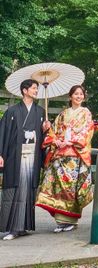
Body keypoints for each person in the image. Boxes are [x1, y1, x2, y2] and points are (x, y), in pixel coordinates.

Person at [35, 85, 94, 232]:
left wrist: (71, 141)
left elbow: (87, 131)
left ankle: (71, 220)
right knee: (58, 186)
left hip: (75, 155)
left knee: (71, 188)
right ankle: (61, 221)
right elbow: (54, 132)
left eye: (81, 94)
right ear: (70, 96)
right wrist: (53, 137)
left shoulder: (86, 113)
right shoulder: (63, 114)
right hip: (60, 154)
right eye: (76, 94)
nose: (79, 96)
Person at [0, 79, 51, 240]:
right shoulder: (12, 111)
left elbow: (45, 138)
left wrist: (46, 129)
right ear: (24, 90)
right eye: (34, 88)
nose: (36, 91)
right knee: (14, 188)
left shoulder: (41, 112)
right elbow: (3, 133)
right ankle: (13, 228)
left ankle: (22, 227)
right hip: (15, 156)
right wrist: (0, 154)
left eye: (37, 88)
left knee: (28, 189)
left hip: (33, 156)